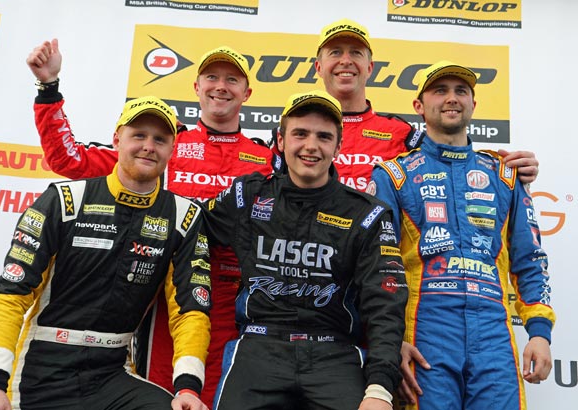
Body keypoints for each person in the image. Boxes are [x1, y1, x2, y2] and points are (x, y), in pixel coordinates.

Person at [26, 39, 277, 405]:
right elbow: (70, 160)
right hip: (167, 297)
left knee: (230, 396)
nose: (220, 86)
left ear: (247, 93)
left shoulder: (265, 157)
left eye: (232, 79)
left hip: (236, 297)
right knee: (168, 395)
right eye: (211, 76)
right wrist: (48, 91)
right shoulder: (162, 144)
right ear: (196, 87)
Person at [0, 96, 211, 410]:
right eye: (138, 135)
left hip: (112, 372)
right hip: (42, 370)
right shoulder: (65, 200)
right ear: (117, 139)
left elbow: (191, 311)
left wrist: (189, 389)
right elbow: (12, 295)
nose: (148, 146)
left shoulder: (183, 217)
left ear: (172, 148)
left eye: (160, 139)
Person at [369, 61, 556, 409]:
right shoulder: (393, 176)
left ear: (474, 104)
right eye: (440, 90)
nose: (451, 98)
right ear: (419, 107)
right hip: (425, 334)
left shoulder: (505, 176)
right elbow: (377, 268)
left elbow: (530, 261)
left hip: (494, 337)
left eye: (461, 91)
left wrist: (540, 335)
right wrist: (388, 341)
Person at [206, 90, 407, 410]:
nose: (311, 145)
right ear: (281, 141)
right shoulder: (247, 196)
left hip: (335, 353)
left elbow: (385, 304)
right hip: (259, 346)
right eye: (300, 134)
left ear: (338, 147)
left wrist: (380, 388)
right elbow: (187, 235)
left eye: (324, 136)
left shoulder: (367, 215)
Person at [289, 18, 539, 192]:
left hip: (378, 255)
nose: (346, 61)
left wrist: (510, 170)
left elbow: (453, 164)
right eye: (335, 52)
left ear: (370, 68)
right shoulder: (292, 132)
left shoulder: (403, 133)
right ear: (318, 67)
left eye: (356, 52)